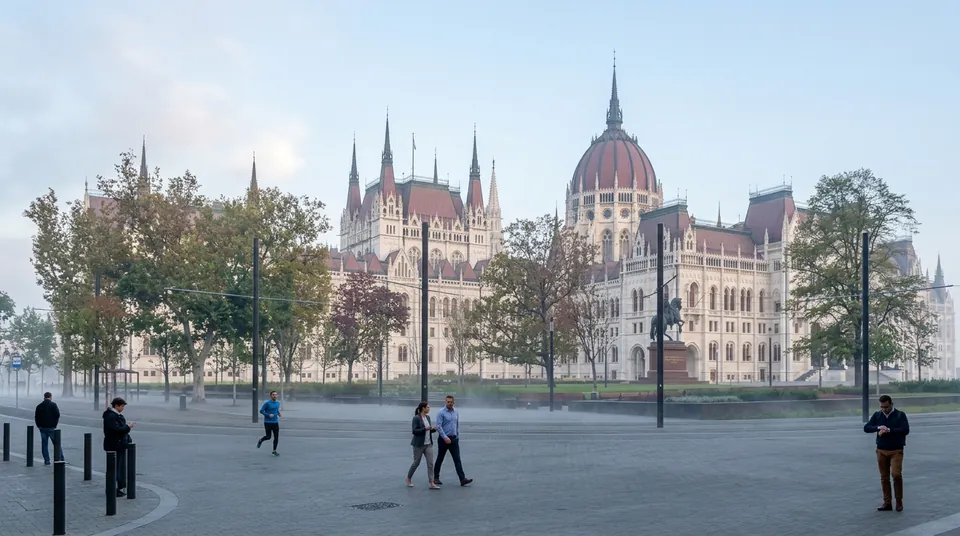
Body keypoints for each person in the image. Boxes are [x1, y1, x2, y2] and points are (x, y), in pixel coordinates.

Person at [864, 394, 910, 512]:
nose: (884, 410)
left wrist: (889, 430)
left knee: (896, 475)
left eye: (886, 407)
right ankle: (887, 502)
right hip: (881, 450)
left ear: (891, 404)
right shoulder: (877, 415)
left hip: (896, 450)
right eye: (882, 407)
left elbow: (905, 430)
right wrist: (879, 428)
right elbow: (867, 428)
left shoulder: (900, 415)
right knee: (884, 478)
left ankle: (899, 501)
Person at [434, 395, 473, 486]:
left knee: (457, 459)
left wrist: (457, 435)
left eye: (451, 402)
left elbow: (456, 424)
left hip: (454, 439)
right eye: (448, 402)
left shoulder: (456, 411)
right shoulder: (441, 412)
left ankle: (462, 479)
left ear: (454, 402)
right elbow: (438, 426)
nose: (450, 403)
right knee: (440, 458)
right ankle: (436, 477)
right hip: (444, 440)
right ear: (445, 402)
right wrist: (445, 437)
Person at [102, 397, 134, 497]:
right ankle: (112, 488)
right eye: (122, 406)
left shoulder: (116, 416)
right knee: (114, 468)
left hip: (119, 444)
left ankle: (117, 487)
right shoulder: (111, 416)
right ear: (116, 406)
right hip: (114, 445)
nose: (123, 408)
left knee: (118, 467)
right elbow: (116, 429)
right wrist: (128, 427)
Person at [407, 402, 440, 489]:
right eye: (428, 407)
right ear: (423, 408)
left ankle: (431, 483)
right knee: (416, 463)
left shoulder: (428, 417)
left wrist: (434, 429)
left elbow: (428, 431)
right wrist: (425, 428)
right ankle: (408, 478)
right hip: (419, 444)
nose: (429, 409)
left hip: (428, 444)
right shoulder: (416, 418)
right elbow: (414, 431)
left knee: (430, 464)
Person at [35, 392, 64, 466]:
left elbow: (36, 417)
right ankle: (61, 459)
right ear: (50, 397)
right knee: (57, 444)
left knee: (44, 444)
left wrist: (39, 426)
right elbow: (57, 415)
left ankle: (47, 460)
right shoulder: (53, 405)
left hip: (42, 428)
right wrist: (55, 424)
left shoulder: (39, 406)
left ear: (44, 397)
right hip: (51, 427)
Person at [257, 391, 281, 456]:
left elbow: (276, 409)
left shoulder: (278, 403)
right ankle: (260, 440)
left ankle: (274, 451)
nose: (275, 396)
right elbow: (261, 411)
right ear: (270, 396)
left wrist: (278, 413)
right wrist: (268, 415)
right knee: (268, 437)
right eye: (273, 395)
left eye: (276, 395)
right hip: (268, 422)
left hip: (275, 422)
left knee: (276, 437)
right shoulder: (267, 403)